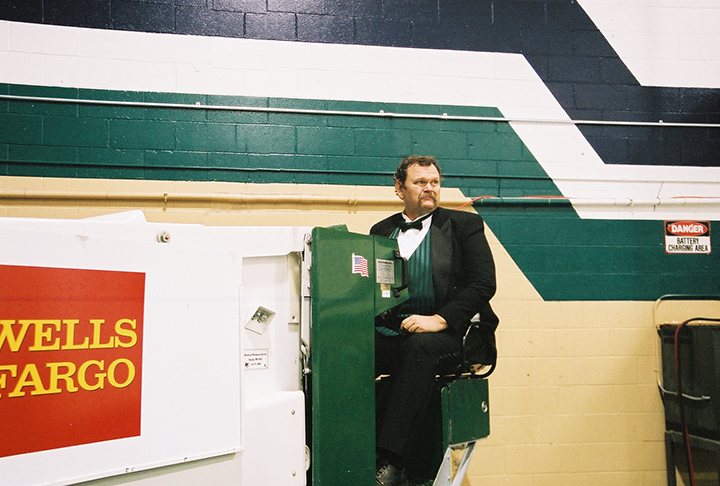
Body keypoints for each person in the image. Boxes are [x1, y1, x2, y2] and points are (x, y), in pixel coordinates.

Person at [370, 155, 498, 486]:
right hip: (394, 330)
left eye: (435, 183)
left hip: (453, 334)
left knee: (420, 348)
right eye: (420, 182)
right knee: (347, 350)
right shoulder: (380, 231)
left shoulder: (464, 226)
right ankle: (344, 445)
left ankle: (392, 462)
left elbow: (484, 283)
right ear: (399, 189)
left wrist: (439, 319)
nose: (430, 189)